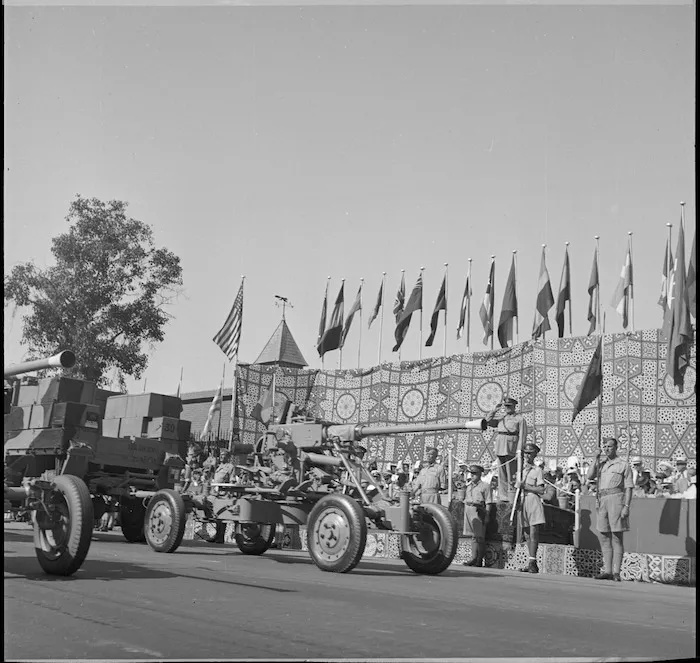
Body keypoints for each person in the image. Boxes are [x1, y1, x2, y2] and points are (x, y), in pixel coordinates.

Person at [586, 437, 634, 581]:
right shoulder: (601, 464)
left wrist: (626, 506)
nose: (607, 449)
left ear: (616, 448)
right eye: (605, 446)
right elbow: (589, 476)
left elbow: (629, 487)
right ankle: (607, 570)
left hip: (616, 498)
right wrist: (595, 458)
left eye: (610, 447)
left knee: (617, 536)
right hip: (602, 499)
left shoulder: (623, 465)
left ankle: (617, 572)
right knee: (604, 535)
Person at [485, 396, 528, 497]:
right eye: (506, 406)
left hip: (511, 447)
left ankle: (511, 494)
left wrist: (519, 450)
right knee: (501, 473)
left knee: (511, 472)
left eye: (509, 406)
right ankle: (503, 495)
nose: (507, 408)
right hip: (500, 446)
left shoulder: (519, 419)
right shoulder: (502, 418)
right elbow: (487, 421)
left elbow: (522, 435)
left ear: (514, 406)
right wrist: (494, 410)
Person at [515, 442, 546, 574]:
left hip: (533, 499)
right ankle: (530, 560)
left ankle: (533, 561)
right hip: (523, 500)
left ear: (535, 454)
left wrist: (525, 487)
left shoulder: (537, 470)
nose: (527, 455)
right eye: (526, 453)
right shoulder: (520, 471)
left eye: (530, 453)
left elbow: (541, 489)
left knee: (533, 532)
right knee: (527, 533)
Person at [462, 465, 492, 567]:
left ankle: (479, 559)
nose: (473, 476)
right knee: (473, 536)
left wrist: (487, 515)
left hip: (478, 509)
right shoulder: (469, 486)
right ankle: (473, 558)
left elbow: (488, 502)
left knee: (479, 536)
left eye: (475, 474)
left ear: (480, 474)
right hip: (469, 509)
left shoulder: (485, 486)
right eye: (472, 474)